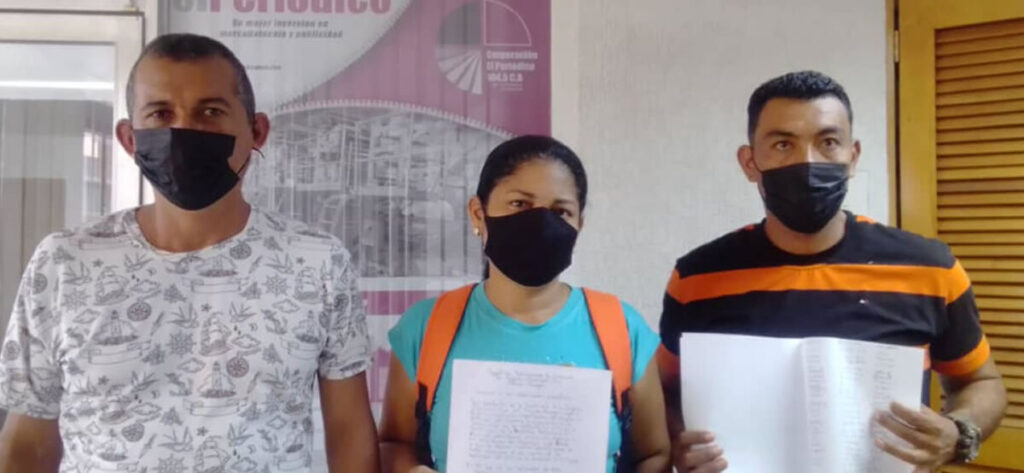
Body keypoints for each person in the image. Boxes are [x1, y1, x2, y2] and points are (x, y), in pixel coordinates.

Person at [0, 33, 379, 472]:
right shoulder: (65, 263)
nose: (184, 131)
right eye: (161, 113)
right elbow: (27, 444)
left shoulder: (317, 263)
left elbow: (350, 434)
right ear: (130, 138)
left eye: (210, 112)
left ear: (257, 131)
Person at [658, 71, 1007, 472]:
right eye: (783, 144)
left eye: (827, 142)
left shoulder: (931, 269)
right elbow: (664, 391)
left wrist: (958, 432)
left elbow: (982, 382)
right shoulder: (697, 278)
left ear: (852, 157)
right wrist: (678, 441)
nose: (808, 163)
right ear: (750, 163)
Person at [379, 135, 672, 473]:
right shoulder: (426, 327)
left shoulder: (621, 329)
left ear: (579, 225)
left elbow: (655, 454)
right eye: (519, 203)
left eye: (561, 211)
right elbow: (394, 443)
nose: (541, 224)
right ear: (478, 213)